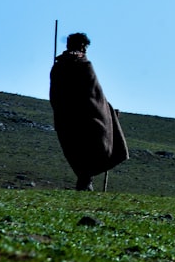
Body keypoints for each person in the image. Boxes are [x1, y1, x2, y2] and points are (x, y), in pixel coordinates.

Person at [49, 32, 129, 190]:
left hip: (66, 117)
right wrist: (106, 110)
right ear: (82, 46)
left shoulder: (59, 65)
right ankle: (85, 181)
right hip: (87, 117)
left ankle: (84, 180)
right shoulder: (83, 65)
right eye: (84, 45)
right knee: (94, 146)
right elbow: (94, 93)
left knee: (76, 148)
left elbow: (55, 93)